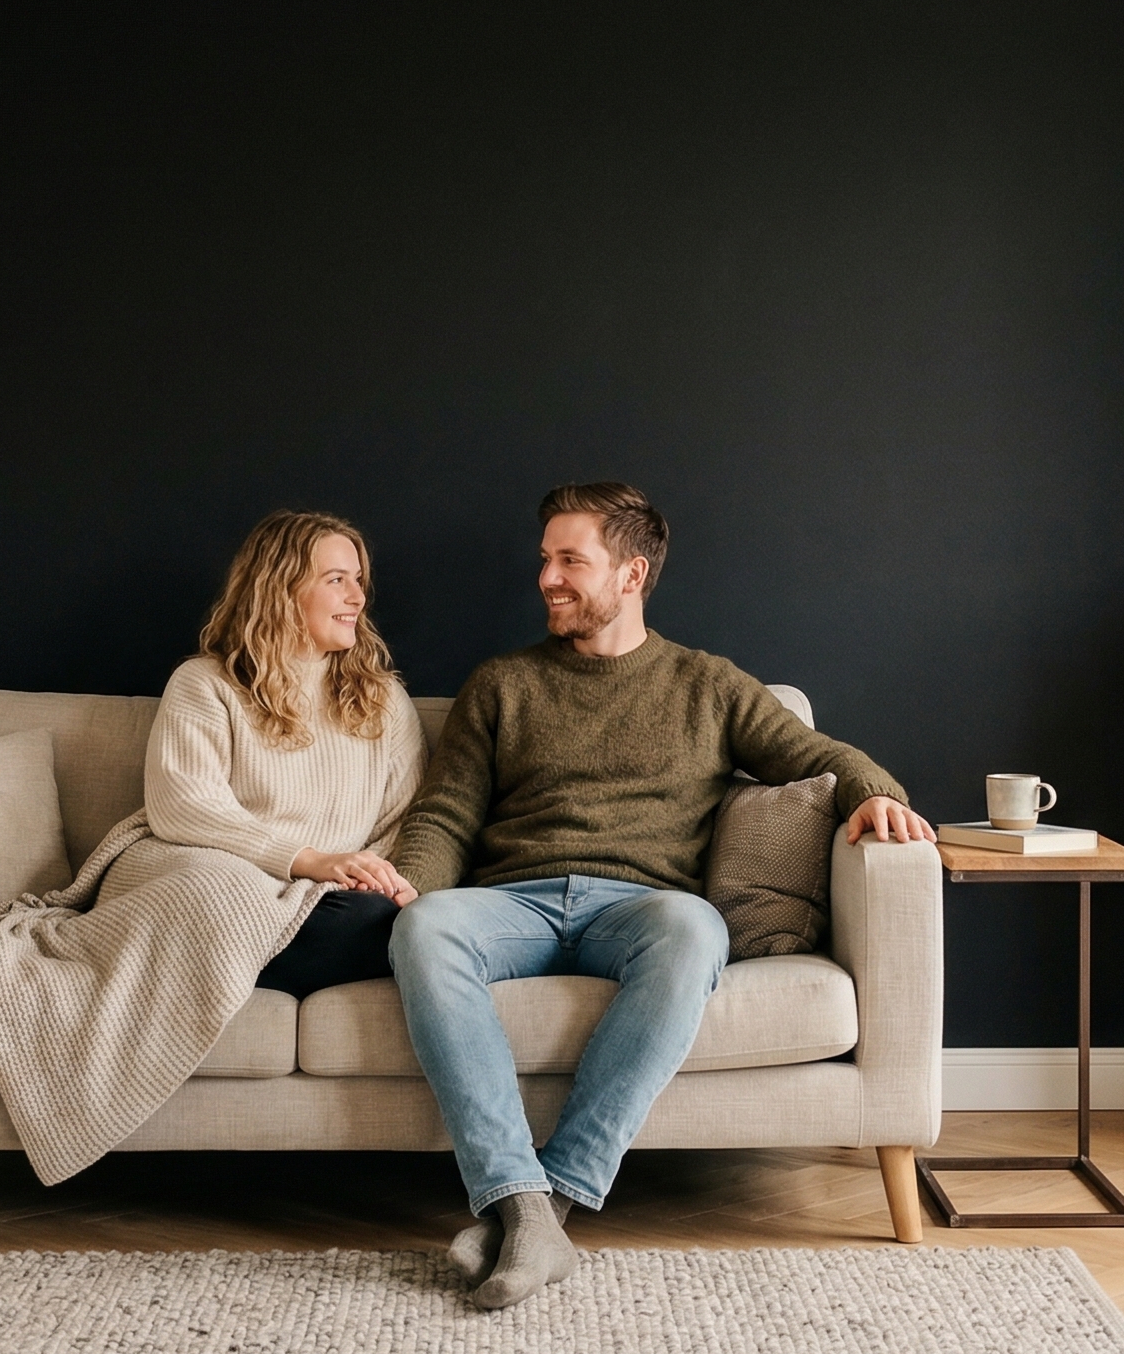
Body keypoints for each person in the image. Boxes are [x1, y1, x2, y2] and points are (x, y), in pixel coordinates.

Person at [388, 482, 933, 1309]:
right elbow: (444, 814)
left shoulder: (706, 685)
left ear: (632, 573)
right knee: (425, 928)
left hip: (639, 908)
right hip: (513, 901)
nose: (547, 579)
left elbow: (814, 752)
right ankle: (524, 1207)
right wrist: (404, 889)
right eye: (545, 560)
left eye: (572, 561)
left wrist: (875, 791)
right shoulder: (501, 684)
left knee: (694, 930)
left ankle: (545, 1203)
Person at [145, 510, 424, 997]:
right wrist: (307, 860)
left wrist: (368, 877)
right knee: (208, 892)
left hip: (327, 903)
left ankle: (224, 960)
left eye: (357, 580)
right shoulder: (206, 684)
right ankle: (229, 951)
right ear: (281, 589)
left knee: (386, 921)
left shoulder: (383, 701)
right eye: (337, 580)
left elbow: (401, 821)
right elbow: (184, 807)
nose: (357, 597)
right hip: (224, 882)